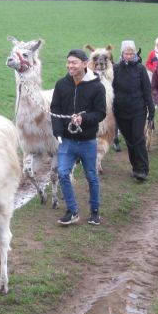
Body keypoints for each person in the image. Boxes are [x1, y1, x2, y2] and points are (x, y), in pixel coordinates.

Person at [50, 49, 107, 226]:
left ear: (84, 64)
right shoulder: (61, 85)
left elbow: (101, 113)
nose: (70, 66)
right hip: (67, 141)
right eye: (68, 62)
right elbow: (55, 110)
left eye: (74, 62)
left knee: (91, 175)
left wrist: (84, 119)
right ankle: (72, 210)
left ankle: (95, 211)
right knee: (63, 173)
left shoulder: (97, 87)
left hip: (88, 141)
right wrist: (58, 132)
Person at [112, 40, 155, 181]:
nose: (129, 56)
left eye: (131, 53)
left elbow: (147, 91)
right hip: (121, 111)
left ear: (135, 53)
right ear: (122, 53)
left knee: (138, 138)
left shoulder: (140, 69)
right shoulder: (115, 69)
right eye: (126, 53)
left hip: (138, 110)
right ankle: (135, 168)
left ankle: (143, 169)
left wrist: (151, 109)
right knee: (129, 141)